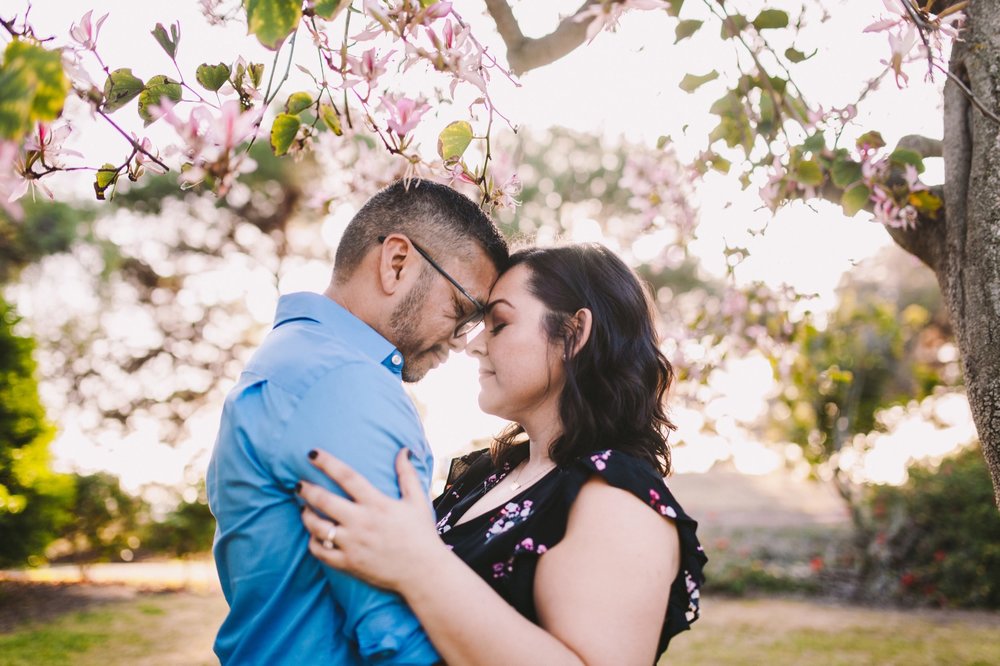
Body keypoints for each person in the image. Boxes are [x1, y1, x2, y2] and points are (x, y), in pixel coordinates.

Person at [297, 243, 707, 665]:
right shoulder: (486, 475)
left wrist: (418, 564)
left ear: (574, 334)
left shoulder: (617, 499)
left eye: (499, 323)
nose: (472, 345)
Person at [206, 179, 508, 665]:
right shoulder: (347, 382)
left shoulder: (289, 360)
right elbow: (400, 640)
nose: (463, 340)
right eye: (463, 310)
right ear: (397, 263)